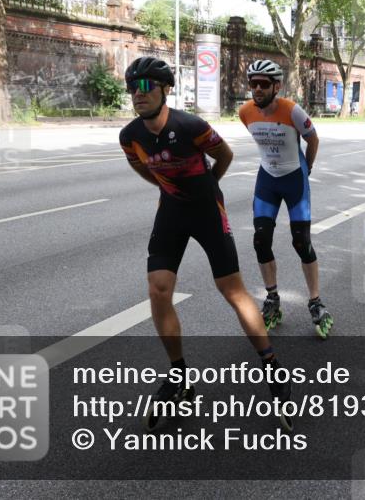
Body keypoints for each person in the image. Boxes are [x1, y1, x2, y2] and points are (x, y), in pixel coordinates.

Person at [118, 57, 292, 431]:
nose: (138, 94)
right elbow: (140, 165)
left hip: (207, 211)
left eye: (146, 86)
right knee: (158, 289)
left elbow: (224, 154)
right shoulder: (130, 135)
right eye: (132, 87)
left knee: (232, 290)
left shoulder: (190, 126)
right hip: (171, 212)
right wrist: (169, 189)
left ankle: (273, 368)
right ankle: (179, 376)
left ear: (165, 90)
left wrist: (208, 185)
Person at [239, 59, 333, 340]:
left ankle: (315, 301)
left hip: (294, 178)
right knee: (260, 239)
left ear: (276, 86)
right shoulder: (245, 112)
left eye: (264, 84)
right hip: (267, 178)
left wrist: (308, 169)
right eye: (253, 83)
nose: (257, 88)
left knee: (301, 242)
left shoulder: (292, 110)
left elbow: (313, 139)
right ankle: (272, 298)